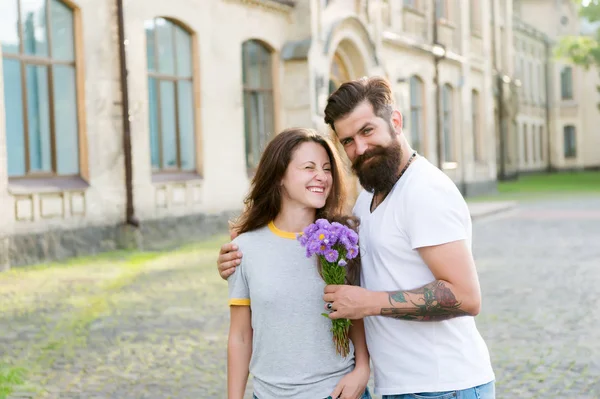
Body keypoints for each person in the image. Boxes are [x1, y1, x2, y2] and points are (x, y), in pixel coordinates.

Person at [218, 77, 495, 399]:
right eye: (347, 140)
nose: (359, 148)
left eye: (367, 131)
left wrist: (369, 304)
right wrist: (240, 257)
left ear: (395, 121)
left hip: (443, 385)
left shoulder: (424, 192)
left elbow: (466, 296)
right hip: (401, 384)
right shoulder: (371, 194)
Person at [226, 127, 371, 399]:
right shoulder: (243, 248)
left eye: (327, 169)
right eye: (309, 167)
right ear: (279, 175)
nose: (322, 176)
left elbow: (355, 313)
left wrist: (362, 368)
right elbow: (241, 335)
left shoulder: (341, 242)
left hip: (338, 392)